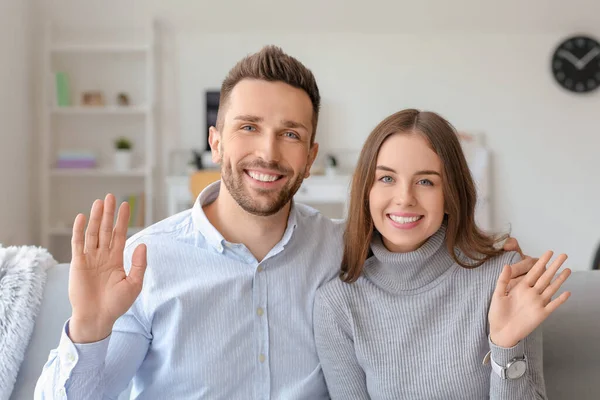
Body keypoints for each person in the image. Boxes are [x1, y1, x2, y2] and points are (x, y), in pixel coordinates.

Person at [36, 48, 531, 399]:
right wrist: (88, 329)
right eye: (248, 127)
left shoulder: (346, 248)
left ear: (311, 154)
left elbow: (423, 252)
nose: (268, 153)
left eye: (289, 134)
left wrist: (492, 257)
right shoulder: (146, 263)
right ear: (216, 141)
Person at [313, 109, 572, 400]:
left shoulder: (504, 280)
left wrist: (505, 346)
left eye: (426, 181)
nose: (404, 198)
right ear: (366, 191)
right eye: (386, 179)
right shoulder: (337, 305)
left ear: (450, 195)